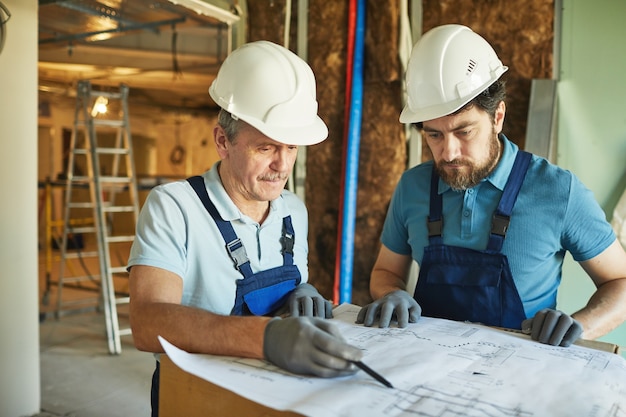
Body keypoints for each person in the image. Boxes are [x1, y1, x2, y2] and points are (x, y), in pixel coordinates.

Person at [127, 40, 362, 416]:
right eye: (266, 148)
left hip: (278, 392)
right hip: (197, 396)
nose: (282, 166)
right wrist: (267, 338)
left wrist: (302, 290)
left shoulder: (292, 211)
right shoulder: (174, 207)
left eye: (292, 147)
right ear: (223, 140)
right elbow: (147, 322)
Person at [357, 24, 626, 348]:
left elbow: (620, 281)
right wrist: (391, 294)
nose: (448, 152)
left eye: (464, 131)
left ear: (497, 116)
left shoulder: (559, 191)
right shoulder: (412, 187)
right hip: (428, 369)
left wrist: (580, 326)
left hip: (520, 376)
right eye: (434, 135)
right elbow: (385, 272)